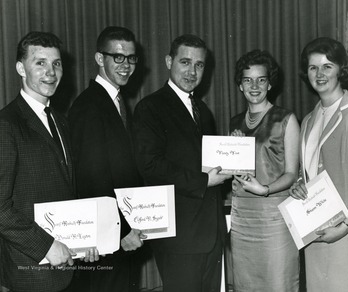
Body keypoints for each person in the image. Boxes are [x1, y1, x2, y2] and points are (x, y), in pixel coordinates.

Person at [0, 31, 98, 292]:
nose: (50, 72)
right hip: (30, 274)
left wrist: (85, 238)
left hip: (66, 269)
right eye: (40, 63)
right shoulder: (6, 125)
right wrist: (46, 246)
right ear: (21, 68)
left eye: (56, 64)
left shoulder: (61, 121)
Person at [132, 34, 231, 292]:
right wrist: (205, 180)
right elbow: (150, 167)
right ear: (168, 61)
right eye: (185, 62)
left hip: (211, 235)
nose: (192, 71)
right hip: (180, 239)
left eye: (199, 65)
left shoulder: (203, 111)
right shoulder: (150, 108)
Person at [68, 26, 146, 292]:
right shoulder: (89, 106)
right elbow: (93, 180)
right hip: (107, 239)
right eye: (118, 57)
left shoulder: (116, 101)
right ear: (100, 59)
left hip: (118, 234)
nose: (126, 66)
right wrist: (124, 230)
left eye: (131, 58)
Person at [289, 37, 348, 292]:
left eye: (327, 66)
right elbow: (308, 170)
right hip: (317, 231)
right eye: (312, 67)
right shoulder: (309, 119)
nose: (319, 74)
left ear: (341, 69)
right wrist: (298, 185)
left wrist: (345, 226)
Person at [229, 49, 300, 292]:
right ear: (240, 85)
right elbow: (236, 172)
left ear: (270, 84)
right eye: (248, 80)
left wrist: (265, 189)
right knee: (245, 285)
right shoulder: (235, 122)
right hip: (242, 218)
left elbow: (291, 174)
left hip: (274, 217)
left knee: (278, 283)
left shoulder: (286, 119)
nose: (255, 86)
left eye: (261, 79)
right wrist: (235, 148)